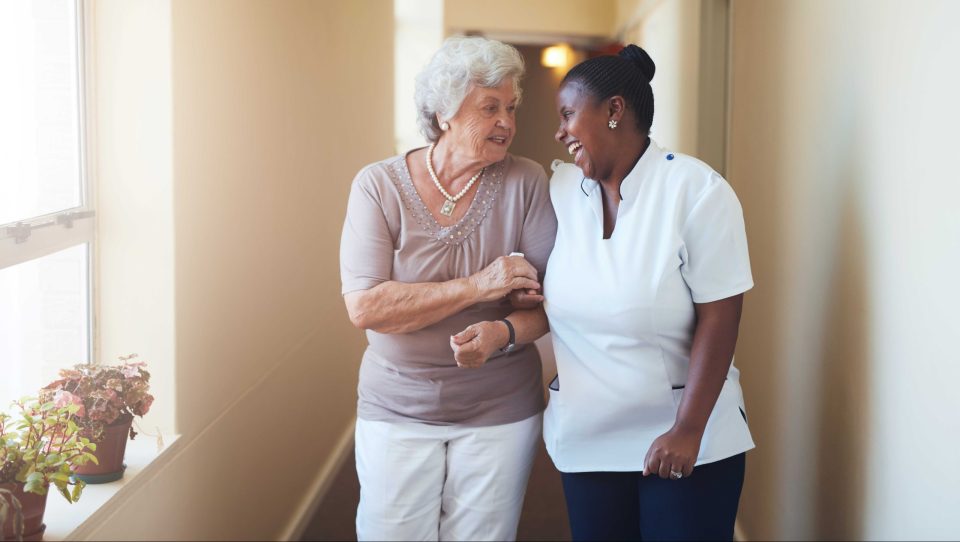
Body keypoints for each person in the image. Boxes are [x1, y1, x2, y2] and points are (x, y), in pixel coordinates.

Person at [339, 36, 556, 541]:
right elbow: (367, 307)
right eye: (490, 107)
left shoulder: (527, 182)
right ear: (444, 114)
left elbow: (549, 306)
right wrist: (482, 285)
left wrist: (502, 331)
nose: (507, 121)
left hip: (500, 407)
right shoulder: (378, 186)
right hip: (396, 405)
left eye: (511, 106)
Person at [543, 44, 755, 540]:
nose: (559, 131)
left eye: (568, 114)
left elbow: (721, 317)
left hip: (682, 440)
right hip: (588, 440)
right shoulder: (560, 194)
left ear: (614, 110)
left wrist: (688, 428)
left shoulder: (697, 191)